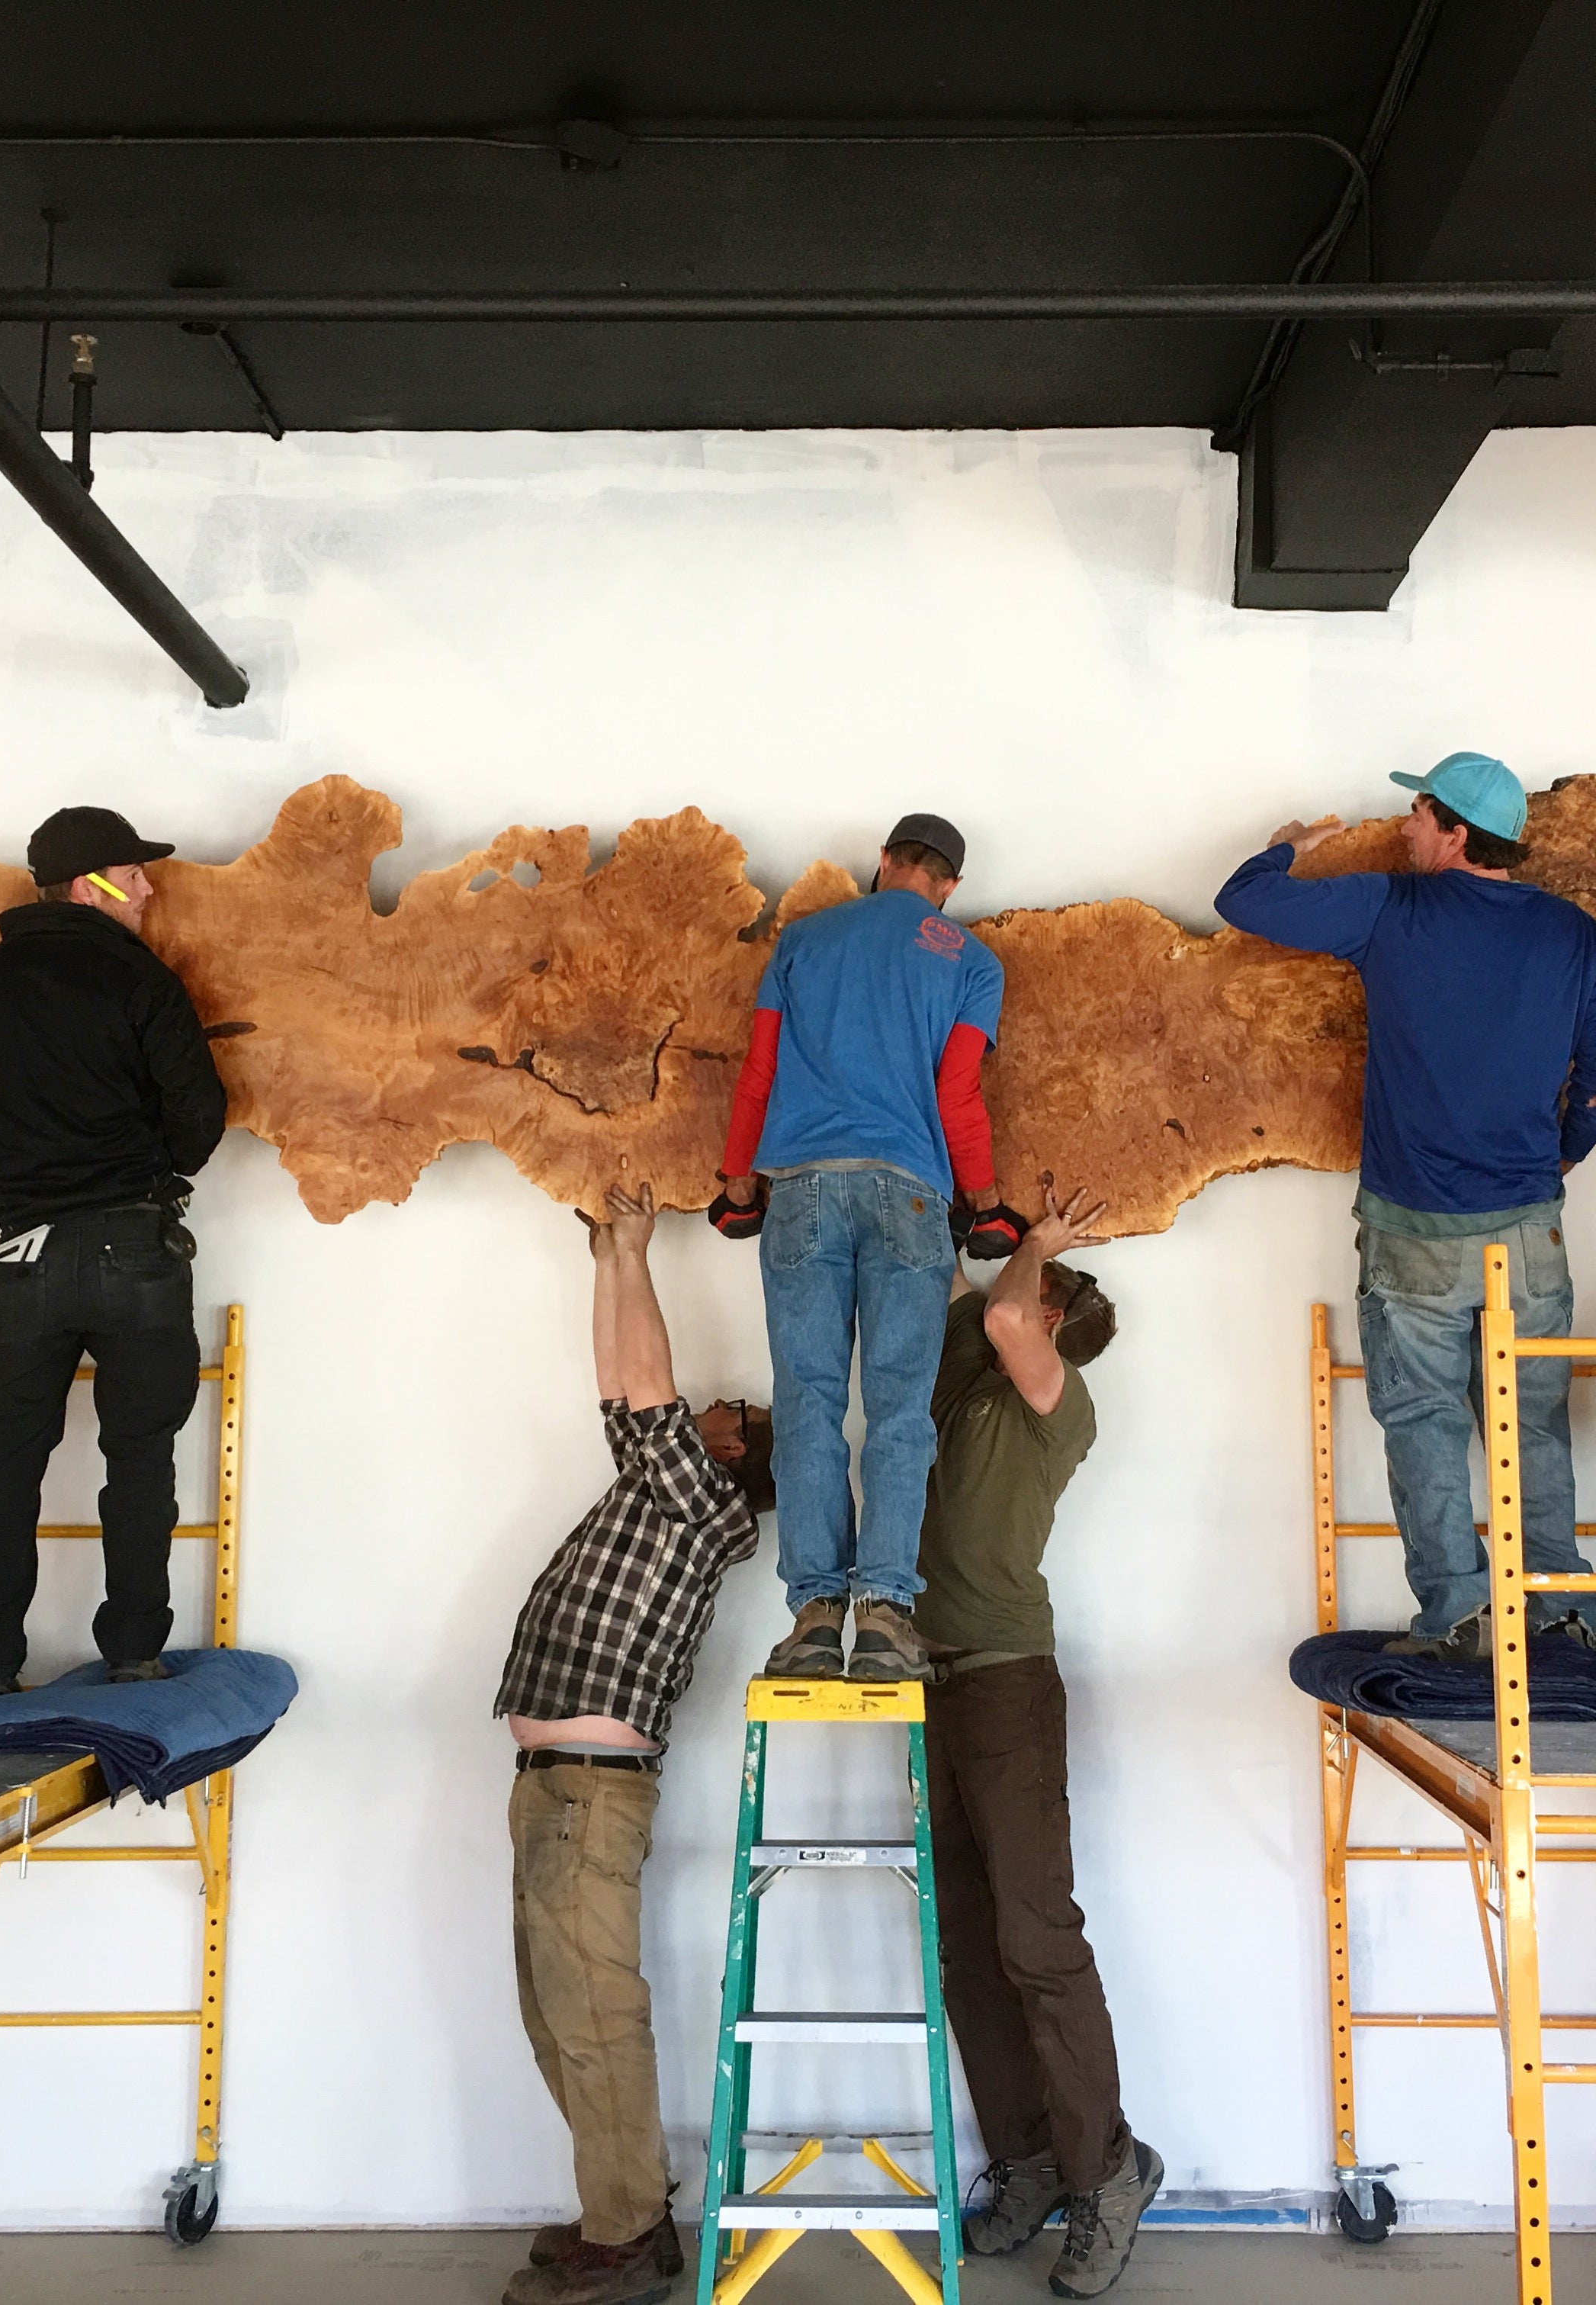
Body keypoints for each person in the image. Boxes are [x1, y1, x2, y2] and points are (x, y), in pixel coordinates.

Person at [1215, 753, 1596, 1664]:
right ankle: (1559, 1617)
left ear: (1451, 831)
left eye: (1416, 813)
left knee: (1423, 1425)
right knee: (1533, 1425)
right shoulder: (1573, 935)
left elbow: (1241, 902)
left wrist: (1285, 848)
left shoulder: (1392, 909)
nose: (1404, 827)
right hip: (1530, 1229)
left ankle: (1460, 1616)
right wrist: (1551, 1161)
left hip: (1414, 1234)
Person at [493, 1184, 772, 2305]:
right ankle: (627, 2209)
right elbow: (620, 1383)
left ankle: (626, 2233)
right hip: (552, 1791)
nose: (709, 1401)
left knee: (596, 2015)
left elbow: (648, 1389)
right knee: (555, 2012)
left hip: (589, 1795)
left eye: (729, 1410)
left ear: (734, 1458)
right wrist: (608, 1255)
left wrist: (643, 1249)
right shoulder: (660, 1487)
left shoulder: (706, 1508)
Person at [919, 1183, 1163, 2300]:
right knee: (967, 1945)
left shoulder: (1056, 1403)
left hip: (1010, 1683)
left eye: (1038, 1287)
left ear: (1058, 1320)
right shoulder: (968, 1381)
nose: (1012, 1287)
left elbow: (1011, 1313)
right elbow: (973, 1296)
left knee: (1035, 1938)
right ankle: (1024, 2159)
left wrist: (1047, 1246)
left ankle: (1107, 2169)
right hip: (928, 1682)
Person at [711, 812, 1017, 1684]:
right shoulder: (971, 961)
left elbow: (759, 1072)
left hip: (802, 1190)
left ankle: (814, 1614)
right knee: (898, 1409)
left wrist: (739, 1185)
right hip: (911, 1196)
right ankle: (884, 1612)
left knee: (804, 1402)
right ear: (949, 884)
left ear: (882, 863)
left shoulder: (804, 940)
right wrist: (989, 1206)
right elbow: (957, 1093)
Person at [0, 807, 226, 1699]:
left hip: (18, 1255)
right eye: (132, 874)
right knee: (139, 1452)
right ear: (89, 884)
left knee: (6, 1457)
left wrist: (31, 1171)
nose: (146, 889)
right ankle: (132, 1651)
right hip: (132, 1246)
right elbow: (198, 1115)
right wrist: (142, 1167)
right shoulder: (138, 978)